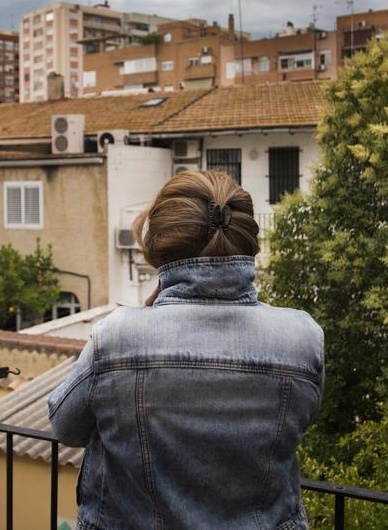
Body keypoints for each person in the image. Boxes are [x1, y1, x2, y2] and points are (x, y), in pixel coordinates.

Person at [47, 170, 324, 530]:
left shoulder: (117, 338)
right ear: (245, 238)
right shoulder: (302, 337)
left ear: (160, 242)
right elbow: (301, 420)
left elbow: (65, 426)